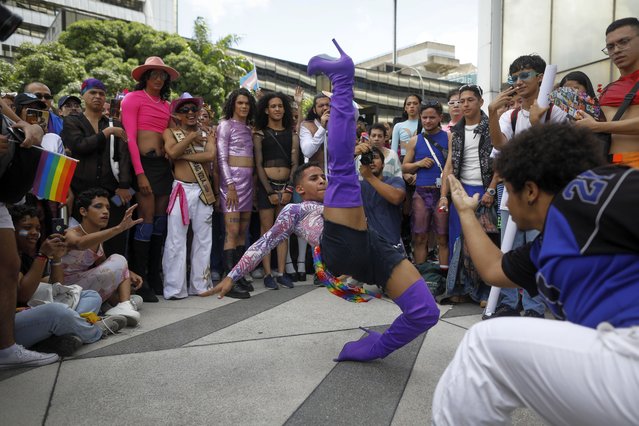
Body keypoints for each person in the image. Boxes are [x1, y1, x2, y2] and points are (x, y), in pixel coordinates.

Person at [204, 40, 440, 363]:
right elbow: (263, 243)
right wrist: (232, 275)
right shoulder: (296, 211)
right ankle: (343, 80)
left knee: (426, 313)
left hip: (374, 251)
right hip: (340, 246)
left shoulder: (340, 204)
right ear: (299, 188)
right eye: (314, 178)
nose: (321, 181)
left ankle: (370, 349)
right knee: (342, 166)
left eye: (321, 177)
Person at [431, 123, 639, 425]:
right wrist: (465, 212)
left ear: (530, 191)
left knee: (483, 345)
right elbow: (493, 269)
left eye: (509, 191)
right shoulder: (547, 246)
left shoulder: (594, 190)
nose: (506, 203)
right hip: (618, 370)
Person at [488, 54, 567, 318]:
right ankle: (507, 303)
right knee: (507, 248)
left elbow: (557, 157)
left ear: (541, 77)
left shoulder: (556, 114)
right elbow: (499, 146)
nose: (519, 82)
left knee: (536, 250)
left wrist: (536, 125)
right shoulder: (509, 116)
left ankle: (534, 307)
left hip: (543, 200)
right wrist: (491, 112)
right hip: (511, 196)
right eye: (515, 78)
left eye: (525, 75)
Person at [10, 204, 127, 356]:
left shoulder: (25, 256)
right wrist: (42, 256)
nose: (34, 233)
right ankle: (95, 330)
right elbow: (23, 295)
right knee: (56, 312)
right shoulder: (7, 257)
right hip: (10, 328)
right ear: (11, 230)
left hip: (36, 315)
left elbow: (56, 285)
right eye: (27, 227)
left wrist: (56, 258)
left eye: (38, 229)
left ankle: (57, 338)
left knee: (91, 296)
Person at [121, 57, 180, 302]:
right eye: (153, 74)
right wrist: (140, 173)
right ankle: (141, 277)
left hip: (163, 167)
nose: (158, 78)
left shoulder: (168, 105)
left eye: (162, 75)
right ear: (145, 76)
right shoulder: (133, 99)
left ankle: (155, 275)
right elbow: (131, 139)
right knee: (144, 219)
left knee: (159, 221)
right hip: (143, 165)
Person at [439, 85, 498, 305]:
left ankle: (485, 293)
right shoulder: (455, 132)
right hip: (460, 192)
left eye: (470, 100)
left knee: (483, 242)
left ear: (481, 102)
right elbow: (449, 165)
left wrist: (491, 188)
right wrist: (444, 195)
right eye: (461, 101)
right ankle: (463, 289)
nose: (464, 104)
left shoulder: (492, 126)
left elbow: (500, 161)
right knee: (458, 242)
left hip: (484, 191)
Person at [61, 78, 133, 257]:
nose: (98, 96)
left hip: (112, 193)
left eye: (101, 93)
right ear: (83, 95)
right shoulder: (72, 121)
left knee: (114, 238)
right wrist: (106, 134)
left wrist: (124, 186)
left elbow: (124, 155)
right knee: (82, 242)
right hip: (81, 192)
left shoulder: (114, 123)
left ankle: (117, 278)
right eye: (93, 92)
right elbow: (80, 146)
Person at [162, 94, 217, 299]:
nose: (191, 113)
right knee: (176, 239)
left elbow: (209, 156)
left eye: (194, 109)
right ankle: (175, 288)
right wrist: (191, 138)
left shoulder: (208, 133)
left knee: (204, 239)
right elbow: (171, 151)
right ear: (177, 115)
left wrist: (182, 154)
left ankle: (201, 285)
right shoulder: (170, 132)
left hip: (203, 190)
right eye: (185, 110)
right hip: (181, 191)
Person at [61, 188, 143, 326]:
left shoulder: (99, 238)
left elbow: (103, 263)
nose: (105, 211)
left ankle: (123, 304)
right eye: (98, 206)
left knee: (137, 298)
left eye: (107, 207)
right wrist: (118, 229)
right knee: (119, 258)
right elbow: (80, 244)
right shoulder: (71, 232)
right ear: (83, 211)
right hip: (65, 289)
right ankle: (123, 305)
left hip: (85, 286)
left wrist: (127, 272)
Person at [576, 17, 639, 167]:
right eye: (610, 47)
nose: (616, 50)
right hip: (606, 167)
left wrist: (598, 126)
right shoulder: (607, 89)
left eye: (624, 42)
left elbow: (597, 126)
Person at [253, 92, 298, 289]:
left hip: (286, 188)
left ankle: (281, 272)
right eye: (273, 106)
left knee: (283, 231)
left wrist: (289, 188)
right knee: (267, 231)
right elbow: (258, 164)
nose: (277, 109)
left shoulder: (292, 134)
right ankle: (267, 274)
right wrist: (269, 191)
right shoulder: (259, 134)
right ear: (266, 109)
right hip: (266, 188)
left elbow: (295, 164)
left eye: (280, 106)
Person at [216, 88, 257, 295]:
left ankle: (238, 276)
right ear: (233, 104)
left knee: (242, 233)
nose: (243, 107)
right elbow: (221, 158)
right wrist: (230, 185)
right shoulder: (224, 125)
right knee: (231, 232)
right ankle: (229, 280)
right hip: (231, 186)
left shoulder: (249, 129)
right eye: (240, 103)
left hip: (248, 186)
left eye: (247, 103)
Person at [402, 102, 450, 270]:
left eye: (432, 117)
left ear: (440, 118)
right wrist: (419, 163)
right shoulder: (415, 140)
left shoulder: (449, 137)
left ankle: (444, 276)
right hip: (421, 193)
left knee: (443, 237)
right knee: (420, 236)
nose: (428, 121)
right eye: (425, 118)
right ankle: (422, 276)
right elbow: (404, 166)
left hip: (442, 194)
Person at [360, 146, 405, 248]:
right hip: (369, 246)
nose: (371, 161)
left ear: (383, 164)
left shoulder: (395, 181)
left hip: (391, 245)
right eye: (368, 158)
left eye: (375, 157)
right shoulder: (359, 185)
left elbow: (397, 198)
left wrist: (369, 177)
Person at [299, 92, 330, 171]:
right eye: (321, 106)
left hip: (336, 178)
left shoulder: (339, 126)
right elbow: (307, 152)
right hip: (317, 178)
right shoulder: (306, 126)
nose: (325, 108)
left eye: (328, 105)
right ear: (314, 110)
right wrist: (322, 128)